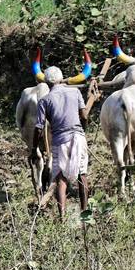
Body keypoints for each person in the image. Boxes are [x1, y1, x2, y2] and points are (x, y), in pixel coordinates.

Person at [33, 67, 102, 221]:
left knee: (60, 179)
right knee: (82, 175)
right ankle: (85, 214)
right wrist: (82, 131)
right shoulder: (75, 92)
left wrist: (33, 148)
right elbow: (84, 115)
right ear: (61, 78)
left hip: (59, 141)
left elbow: (39, 128)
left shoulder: (44, 100)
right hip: (78, 138)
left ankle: (63, 217)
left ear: (47, 82)